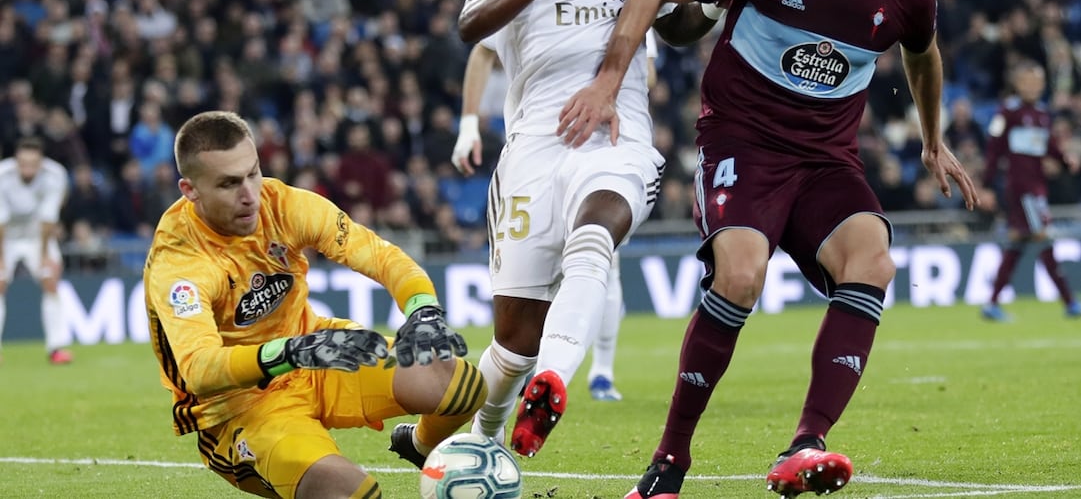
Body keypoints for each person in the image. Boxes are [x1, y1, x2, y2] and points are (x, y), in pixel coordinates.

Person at [557, 0, 979, 496]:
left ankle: (804, 446)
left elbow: (922, 55)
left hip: (825, 161)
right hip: (740, 147)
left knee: (872, 260)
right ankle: (667, 464)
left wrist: (932, 137)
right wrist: (609, 80)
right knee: (741, 275)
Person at [456, 0, 720, 458]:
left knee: (595, 232)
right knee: (514, 340)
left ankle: (556, 381)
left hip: (616, 140)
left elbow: (677, 26)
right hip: (532, 152)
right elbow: (472, 26)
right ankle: (479, 435)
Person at [143, 110, 484, 499]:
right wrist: (289, 353)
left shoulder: (283, 204)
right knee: (352, 493)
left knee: (462, 385)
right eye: (228, 183)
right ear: (190, 190)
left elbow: (378, 255)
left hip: (318, 352)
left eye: (253, 173)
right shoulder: (180, 263)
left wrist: (424, 311)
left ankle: (419, 447)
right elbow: (200, 370)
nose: (249, 194)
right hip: (241, 406)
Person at [451, 33, 667, 403]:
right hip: (534, 155)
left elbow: (647, 74)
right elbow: (481, 46)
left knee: (598, 253)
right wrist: (469, 124)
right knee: (521, 303)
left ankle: (593, 372)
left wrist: (605, 76)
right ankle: (496, 411)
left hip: (601, 149)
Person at [978, 60, 1081, 322]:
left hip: (1037, 186)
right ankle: (1070, 302)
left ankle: (991, 303)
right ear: (1017, 84)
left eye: (1037, 82)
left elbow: (1049, 146)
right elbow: (993, 150)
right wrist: (987, 185)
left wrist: (1064, 160)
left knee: (1018, 243)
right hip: (1022, 188)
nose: (1032, 87)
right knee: (1043, 237)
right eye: (1027, 81)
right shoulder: (1007, 113)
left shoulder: (1043, 114)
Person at [0, 136, 73, 365]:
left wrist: (44, 257)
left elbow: (49, 217)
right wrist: (1, 259)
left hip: (37, 236)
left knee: (50, 280)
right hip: (6, 236)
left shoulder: (55, 175)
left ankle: (56, 348)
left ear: (41, 162)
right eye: (23, 163)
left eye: (33, 163)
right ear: (16, 160)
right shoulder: (2, 175)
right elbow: (0, 221)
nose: (27, 169)